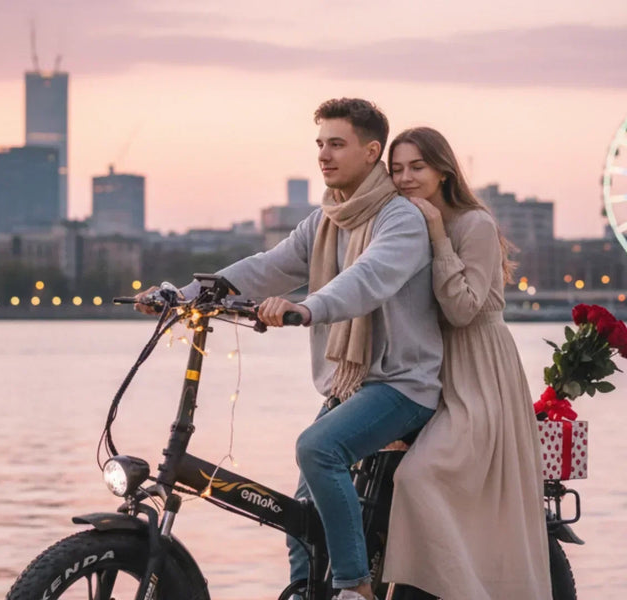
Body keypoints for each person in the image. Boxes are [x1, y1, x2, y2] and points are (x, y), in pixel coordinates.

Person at [135, 99, 442, 600]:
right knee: (304, 505)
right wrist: (184, 295)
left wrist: (306, 308)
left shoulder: (399, 220)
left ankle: (353, 589)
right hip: (351, 385)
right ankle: (304, 589)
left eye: (337, 144)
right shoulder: (325, 221)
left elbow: (368, 279)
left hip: (403, 384)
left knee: (317, 448)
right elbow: (267, 266)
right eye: (319, 144)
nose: (323, 154)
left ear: (371, 152)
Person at [382, 127, 553, 599]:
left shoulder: (472, 224)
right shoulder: (405, 221)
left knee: (418, 475)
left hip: (479, 371)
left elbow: (462, 310)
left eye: (417, 167)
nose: (406, 178)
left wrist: (439, 235)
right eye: (396, 170)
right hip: (435, 370)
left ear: (443, 169)